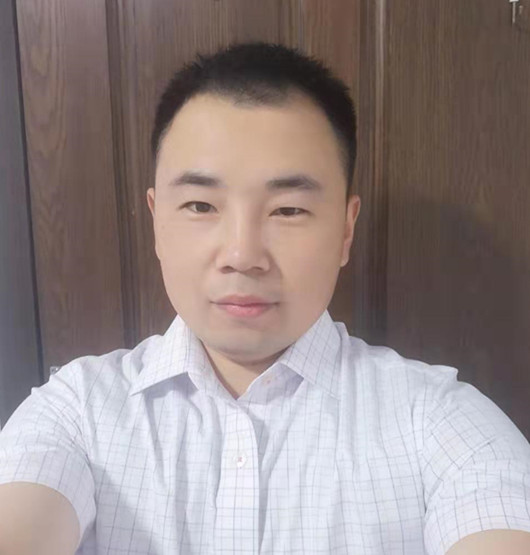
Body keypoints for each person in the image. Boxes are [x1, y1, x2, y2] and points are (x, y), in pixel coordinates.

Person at [0, 42, 529, 555]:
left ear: (346, 230)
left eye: (288, 210)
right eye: (201, 206)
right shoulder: (77, 412)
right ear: (157, 219)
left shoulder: (441, 422)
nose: (242, 255)